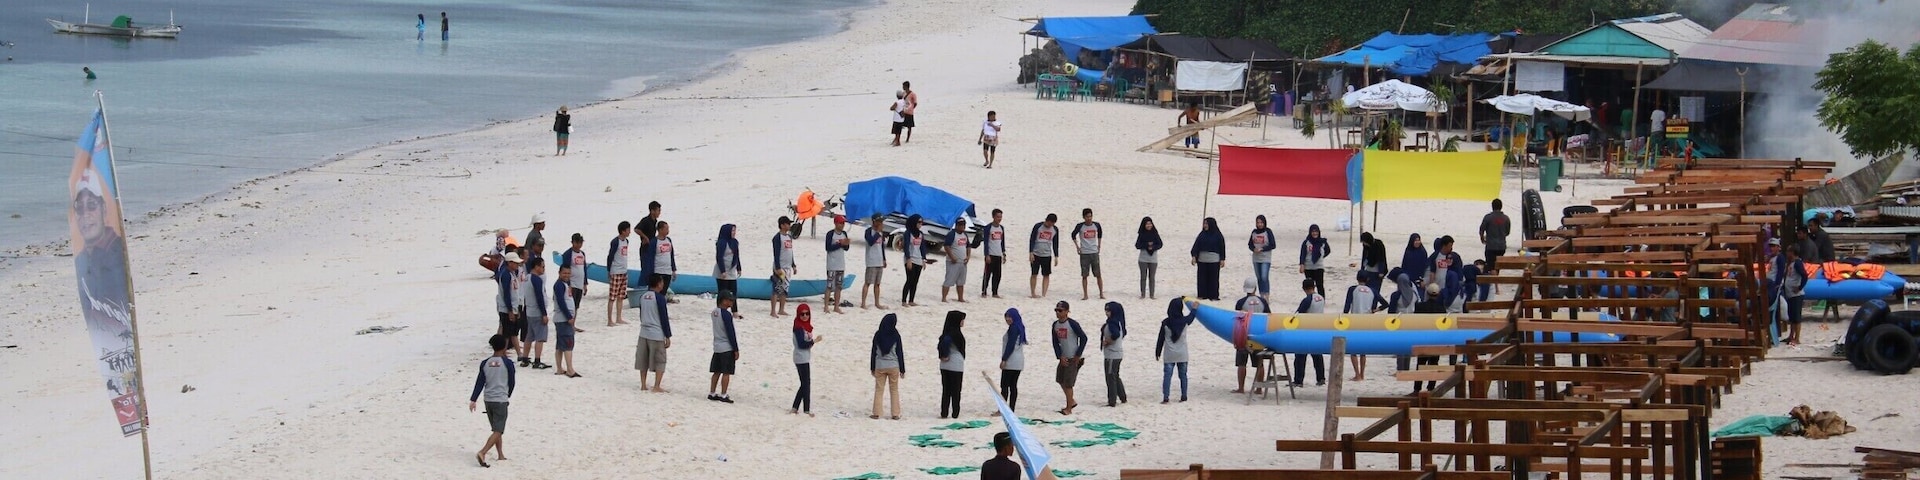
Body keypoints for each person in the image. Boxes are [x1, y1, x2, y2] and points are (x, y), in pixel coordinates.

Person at [469, 334, 517, 468]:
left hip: (488, 399)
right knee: (498, 430)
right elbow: (512, 382)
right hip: (500, 399)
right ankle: (483, 452)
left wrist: (473, 399)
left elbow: (480, 382)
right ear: (505, 346)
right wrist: (508, 395)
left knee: (496, 429)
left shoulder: (485, 363)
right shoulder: (508, 363)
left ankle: (500, 454)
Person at [635, 276, 673, 392]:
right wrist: (668, 335)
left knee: (643, 360)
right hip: (656, 333)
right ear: (658, 284)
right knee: (660, 360)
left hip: (643, 332)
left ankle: (643, 384)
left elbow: (641, 314)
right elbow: (664, 318)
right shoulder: (660, 298)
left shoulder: (642, 297)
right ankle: (656, 386)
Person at [1050, 301, 1087, 415]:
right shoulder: (1055, 325)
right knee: (1060, 380)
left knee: (1068, 384)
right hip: (1064, 357)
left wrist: (1078, 355)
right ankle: (1072, 401)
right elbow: (1055, 342)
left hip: (1072, 358)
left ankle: (1069, 408)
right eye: (1056, 310)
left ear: (1066, 311)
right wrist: (1060, 356)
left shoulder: (1072, 324)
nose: (1058, 312)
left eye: (1060, 310)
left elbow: (1083, 338)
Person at [1232, 278, 1267, 393]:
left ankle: (1241, 388)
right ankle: (1259, 388)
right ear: (1255, 288)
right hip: (1259, 335)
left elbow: (1237, 320)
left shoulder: (1241, 302)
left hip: (1244, 335)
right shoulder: (1263, 302)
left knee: (1242, 363)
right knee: (1259, 364)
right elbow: (1268, 317)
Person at [1155, 298, 1192, 403]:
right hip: (1182, 354)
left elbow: (1161, 339)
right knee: (1183, 376)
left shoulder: (1166, 322)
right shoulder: (1185, 321)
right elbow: (1192, 316)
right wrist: (1194, 308)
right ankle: (1184, 396)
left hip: (1169, 354)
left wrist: (1157, 352)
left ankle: (1166, 397)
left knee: (1167, 377)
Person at [1291, 279, 1326, 387]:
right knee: (1317, 356)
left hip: (1306, 331)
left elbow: (1298, 314)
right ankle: (1321, 378)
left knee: (1300, 357)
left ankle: (1298, 380)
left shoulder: (1307, 300)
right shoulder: (1321, 298)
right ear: (1314, 286)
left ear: (1304, 288)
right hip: (1318, 330)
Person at [870, 313, 905, 419]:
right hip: (893, 365)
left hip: (880, 365)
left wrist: (872, 367)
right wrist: (902, 369)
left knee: (879, 389)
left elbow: (873, 352)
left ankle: (876, 413)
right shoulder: (896, 335)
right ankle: (895, 414)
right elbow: (899, 352)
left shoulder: (878, 334)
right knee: (894, 390)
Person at [709, 287, 741, 403]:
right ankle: (723, 394)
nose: (731, 302)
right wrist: (736, 349)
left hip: (717, 346)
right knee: (726, 372)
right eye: (729, 300)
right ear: (723, 300)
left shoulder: (714, 312)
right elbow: (731, 333)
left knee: (716, 371)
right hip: (726, 347)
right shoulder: (726, 315)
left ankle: (712, 392)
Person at [1774, 244, 1808, 345]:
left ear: (1792, 252)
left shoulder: (1797, 263)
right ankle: (1791, 336)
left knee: (1796, 317)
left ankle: (1797, 338)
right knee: (1792, 317)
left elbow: (1804, 275)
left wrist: (1800, 287)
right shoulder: (1791, 263)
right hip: (1790, 294)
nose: (1786, 253)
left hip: (1796, 295)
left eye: (1788, 251)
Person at [936, 310, 968, 419]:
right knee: (956, 390)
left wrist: (942, 355)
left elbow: (941, 343)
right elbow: (946, 341)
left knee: (946, 390)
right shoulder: (956, 333)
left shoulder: (945, 332)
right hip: (955, 365)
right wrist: (945, 354)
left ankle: (944, 412)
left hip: (944, 366)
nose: (963, 322)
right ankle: (955, 413)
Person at [791, 304, 821, 415]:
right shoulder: (798, 327)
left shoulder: (805, 326)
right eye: (802, 314)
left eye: (807, 314)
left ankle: (795, 408)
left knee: (804, 383)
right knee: (806, 384)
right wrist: (814, 341)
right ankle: (806, 410)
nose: (805, 316)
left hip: (804, 357)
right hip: (800, 357)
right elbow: (802, 344)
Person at [523, 258, 552, 370]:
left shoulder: (527, 278)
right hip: (537, 312)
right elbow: (539, 297)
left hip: (529, 311)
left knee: (529, 336)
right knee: (540, 337)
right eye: (542, 266)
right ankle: (537, 360)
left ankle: (525, 358)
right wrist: (544, 314)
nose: (543, 269)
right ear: (536, 267)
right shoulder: (536, 280)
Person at [552, 263, 580, 377]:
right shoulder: (559, 285)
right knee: (568, 344)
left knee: (560, 345)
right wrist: (569, 317)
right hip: (563, 319)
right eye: (564, 273)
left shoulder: (565, 284)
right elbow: (561, 302)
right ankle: (570, 369)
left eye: (568, 273)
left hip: (561, 319)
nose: (566, 275)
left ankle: (559, 368)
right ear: (559, 273)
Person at [1099, 302, 1128, 406]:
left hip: (1112, 354)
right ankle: (1122, 397)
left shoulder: (1112, 323)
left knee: (1110, 377)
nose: (1106, 313)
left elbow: (1115, 334)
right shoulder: (1119, 322)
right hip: (1117, 354)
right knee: (1115, 376)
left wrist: (1107, 341)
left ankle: (1112, 401)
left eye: (1108, 311)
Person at [495, 252, 524, 356]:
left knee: (513, 333)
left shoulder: (512, 274)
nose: (517, 265)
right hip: (506, 309)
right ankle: (503, 353)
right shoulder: (506, 275)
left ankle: (519, 353)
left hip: (513, 308)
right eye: (515, 263)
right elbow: (506, 294)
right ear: (510, 263)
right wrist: (510, 310)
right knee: (507, 334)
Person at [1072, 208, 1105, 300]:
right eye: (1087, 216)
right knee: (1084, 275)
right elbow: (1073, 235)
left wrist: (1099, 245)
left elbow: (1100, 234)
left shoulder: (1096, 225)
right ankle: (1085, 294)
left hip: (1094, 252)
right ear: (1084, 217)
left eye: (1090, 216)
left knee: (1098, 274)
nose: (1089, 218)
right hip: (1084, 253)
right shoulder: (1080, 226)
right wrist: (1077, 247)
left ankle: (1101, 293)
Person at [1191, 218, 1227, 300]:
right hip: (1202, 260)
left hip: (1214, 260)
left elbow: (1222, 247)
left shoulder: (1218, 235)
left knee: (1213, 279)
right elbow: (1196, 246)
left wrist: (1222, 259)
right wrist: (1194, 256)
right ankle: (1202, 294)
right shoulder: (1202, 235)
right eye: (1204, 224)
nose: (1205, 225)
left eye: (1206, 224)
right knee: (1202, 279)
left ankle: (1213, 295)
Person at [999, 308, 1027, 411]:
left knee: (1005, 385)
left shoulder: (1013, 328)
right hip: (1018, 361)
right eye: (1006, 317)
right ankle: (1011, 408)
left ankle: (1003, 409)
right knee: (1013, 385)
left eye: (1009, 316)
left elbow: (1010, 345)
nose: (1007, 319)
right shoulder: (1020, 327)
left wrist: (1004, 359)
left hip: (1011, 361)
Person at [942, 217, 975, 303]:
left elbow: (968, 246)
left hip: (962, 262)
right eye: (960, 225)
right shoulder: (952, 234)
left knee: (961, 282)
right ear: (956, 225)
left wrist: (968, 256)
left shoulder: (965, 235)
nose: (962, 226)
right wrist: (952, 257)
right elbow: (946, 246)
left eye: (963, 225)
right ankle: (944, 298)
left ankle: (960, 298)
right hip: (953, 262)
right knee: (949, 280)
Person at [824, 215, 851, 313]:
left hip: (841, 264)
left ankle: (836, 306)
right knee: (829, 286)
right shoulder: (830, 234)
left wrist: (846, 243)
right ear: (835, 223)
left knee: (839, 287)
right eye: (840, 223)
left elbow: (846, 248)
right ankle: (826, 306)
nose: (842, 225)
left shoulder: (844, 233)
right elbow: (828, 248)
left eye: (843, 223)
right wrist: (840, 244)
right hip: (832, 264)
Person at [714, 224, 743, 317]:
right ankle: (720, 310)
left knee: (733, 292)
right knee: (722, 292)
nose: (734, 233)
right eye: (732, 231)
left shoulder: (734, 242)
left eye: (735, 231)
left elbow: (736, 256)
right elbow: (719, 257)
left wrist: (739, 268)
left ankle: (735, 312)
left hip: (731, 270)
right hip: (722, 271)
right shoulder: (721, 243)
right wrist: (722, 271)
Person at [1029, 213, 1061, 298]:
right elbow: (1032, 239)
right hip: (1036, 253)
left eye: (1052, 223)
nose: (1050, 225)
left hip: (1047, 255)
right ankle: (1033, 293)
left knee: (1046, 274)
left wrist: (1056, 256)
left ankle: (1044, 294)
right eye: (1049, 223)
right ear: (1046, 220)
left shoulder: (1055, 229)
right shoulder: (1038, 226)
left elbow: (1055, 243)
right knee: (1034, 273)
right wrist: (1031, 252)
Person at [645, 221, 677, 305]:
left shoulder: (668, 240)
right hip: (658, 271)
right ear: (660, 230)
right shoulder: (654, 242)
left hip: (667, 271)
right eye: (666, 229)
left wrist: (673, 269)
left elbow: (671, 255)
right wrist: (650, 274)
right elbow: (650, 258)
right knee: (656, 293)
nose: (668, 231)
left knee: (663, 293)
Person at [607, 222, 632, 327]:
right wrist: (609, 270)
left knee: (621, 296)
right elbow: (610, 256)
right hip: (616, 271)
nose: (629, 232)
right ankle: (610, 320)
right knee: (612, 297)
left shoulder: (626, 241)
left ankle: (618, 318)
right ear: (623, 231)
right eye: (628, 230)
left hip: (624, 271)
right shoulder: (615, 241)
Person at [861, 215, 889, 309]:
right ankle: (863, 303)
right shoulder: (868, 231)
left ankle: (877, 303)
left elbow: (882, 246)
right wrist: (877, 233)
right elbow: (870, 241)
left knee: (877, 284)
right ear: (874, 221)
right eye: (879, 221)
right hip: (871, 260)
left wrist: (884, 259)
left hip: (879, 260)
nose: (881, 223)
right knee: (868, 282)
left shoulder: (880, 232)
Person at [772, 216, 797, 317]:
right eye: (787, 224)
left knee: (785, 288)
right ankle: (773, 311)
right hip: (780, 267)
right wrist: (778, 268)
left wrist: (793, 265)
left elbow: (790, 252)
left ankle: (781, 309)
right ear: (782, 225)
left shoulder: (789, 237)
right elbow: (776, 254)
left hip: (787, 268)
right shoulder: (777, 238)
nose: (789, 225)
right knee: (777, 288)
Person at [1478, 199, 1510, 278]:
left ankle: (1494, 282)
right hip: (1501, 246)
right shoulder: (1506, 218)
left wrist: (1482, 238)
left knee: (1491, 265)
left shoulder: (1488, 217)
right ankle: (1496, 280)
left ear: (1492, 206)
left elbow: (1481, 230)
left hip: (1491, 246)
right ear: (1501, 207)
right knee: (1497, 265)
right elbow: (1507, 232)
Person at [901, 214, 928, 307]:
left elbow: (922, 247)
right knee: (909, 280)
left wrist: (924, 259)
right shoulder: (908, 233)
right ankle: (904, 300)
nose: (921, 224)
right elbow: (906, 246)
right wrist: (908, 259)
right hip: (910, 258)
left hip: (918, 259)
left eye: (922, 222)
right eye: (919, 222)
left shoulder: (920, 234)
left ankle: (911, 300)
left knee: (915, 281)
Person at [981, 209, 1007, 298]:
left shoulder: (1001, 228)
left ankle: (995, 292)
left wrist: (1003, 253)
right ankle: (984, 291)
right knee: (987, 274)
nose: (999, 219)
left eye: (1000, 217)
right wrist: (986, 255)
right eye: (998, 217)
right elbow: (985, 242)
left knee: (997, 275)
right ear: (993, 217)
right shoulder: (988, 228)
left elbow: (1002, 242)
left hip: (998, 254)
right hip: (990, 254)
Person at [1299, 224, 1330, 298]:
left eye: (1316, 231)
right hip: (1308, 267)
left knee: (1320, 285)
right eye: (1313, 231)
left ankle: (1321, 300)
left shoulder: (1323, 242)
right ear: (1310, 232)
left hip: (1319, 267)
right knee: (1309, 286)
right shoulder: (1306, 242)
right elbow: (1303, 254)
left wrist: (1321, 257)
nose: (1314, 233)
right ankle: (1310, 299)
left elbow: (1328, 251)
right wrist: (1302, 264)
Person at [560, 233, 588, 318]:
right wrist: (568, 284)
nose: (579, 245)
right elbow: (565, 269)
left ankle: (573, 323)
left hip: (580, 284)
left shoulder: (582, 254)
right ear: (572, 242)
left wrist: (585, 284)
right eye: (577, 242)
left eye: (580, 242)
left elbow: (584, 269)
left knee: (576, 306)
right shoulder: (568, 254)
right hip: (572, 284)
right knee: (570, 305)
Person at [1249, 216, 1277, 298]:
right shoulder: (1254, 232)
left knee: (1264, 277)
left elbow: (1273, 245)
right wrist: (1253, 249)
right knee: (1259, 278)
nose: (1260, 224)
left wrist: (1262, 249)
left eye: (1261, 222)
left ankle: (1266, 294)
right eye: (1258, 222)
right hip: (1256, 258)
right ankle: (1262, 294)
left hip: (1265, 258)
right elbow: (1250, 244)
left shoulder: (1268, 231)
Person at [1135, 217, 1163, 299]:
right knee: (1143, 277)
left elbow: (1160, 244)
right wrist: (1147, 245)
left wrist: (1153, 247)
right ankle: (1143, 294)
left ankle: (1152, 295)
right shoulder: (1141, 234)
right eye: (1147, 224)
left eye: (1150, 223)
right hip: (1143, 259)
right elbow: (1137, 245)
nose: (1149, 225)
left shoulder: (1155, 233)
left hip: (1153, 259)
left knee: (1152, 278)